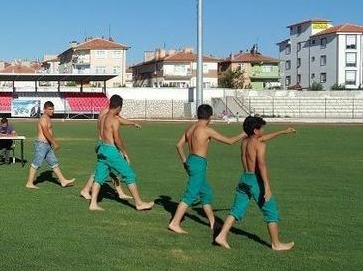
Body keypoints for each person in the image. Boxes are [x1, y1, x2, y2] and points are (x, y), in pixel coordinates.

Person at [214, 117, 296, 251]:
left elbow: (262, 138)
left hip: (244, 179)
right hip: (255, 181)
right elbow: (262, 165)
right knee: (271, 211)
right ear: (255, 130)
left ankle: (221, 236)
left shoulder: (245, 141)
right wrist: (267, 187)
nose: (263, 130)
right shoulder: (260, 145)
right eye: (261, 128)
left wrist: (282, 132)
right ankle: (276, 244)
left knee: (236, 210)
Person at [167, 104, 246, 234]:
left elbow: (179, 145)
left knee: (205, 193)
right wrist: (243, 133)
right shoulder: (206, 130)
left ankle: (213, 222)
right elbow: (230, 141)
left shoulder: (190, 129)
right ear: (210, 116)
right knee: (191, 194)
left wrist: (184, 161)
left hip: (192, 160)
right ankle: (175, 223)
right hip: (198, 163)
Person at [88, 94, 154, 211]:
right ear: (119, 108)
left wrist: (132, 123)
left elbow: (119, 121)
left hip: (101, 149)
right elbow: (117, 139)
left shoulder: (103, 117)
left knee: (99, 177)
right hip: (110, 151)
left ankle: (93, 204)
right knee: (129, 175)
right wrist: (124, 152)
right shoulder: (114, 120)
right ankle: (139, 203)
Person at [79, 105, 142, 200]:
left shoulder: (105, 112)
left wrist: (132, 123)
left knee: (108, 168)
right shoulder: (108, 113)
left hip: (102, 144)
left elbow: (120, 120)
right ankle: (86, 190)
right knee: (104, 169)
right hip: (106, 145)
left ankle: (119, 192)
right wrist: (122, 151)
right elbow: (118, 121)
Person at [25, 101, 75, 189]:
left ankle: (63, 181)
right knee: (36, 163)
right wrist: (54, 143)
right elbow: (45, 132)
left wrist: (50, 143)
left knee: (54, 163)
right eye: (50, 109)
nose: (52, 111)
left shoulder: (48, 118)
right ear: (44, 109)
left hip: (46, 145)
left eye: (53, 109)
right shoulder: (44, 118)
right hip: (41, 145)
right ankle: (29, 183)